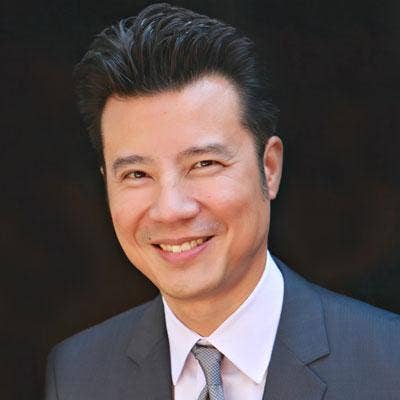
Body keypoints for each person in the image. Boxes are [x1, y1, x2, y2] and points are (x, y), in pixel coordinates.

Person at [45, 3, 400, 399]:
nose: (171, 210)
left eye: (204, 164)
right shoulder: (77, 373)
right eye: (137, 174)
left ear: (269, 168)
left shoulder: (388, 363)